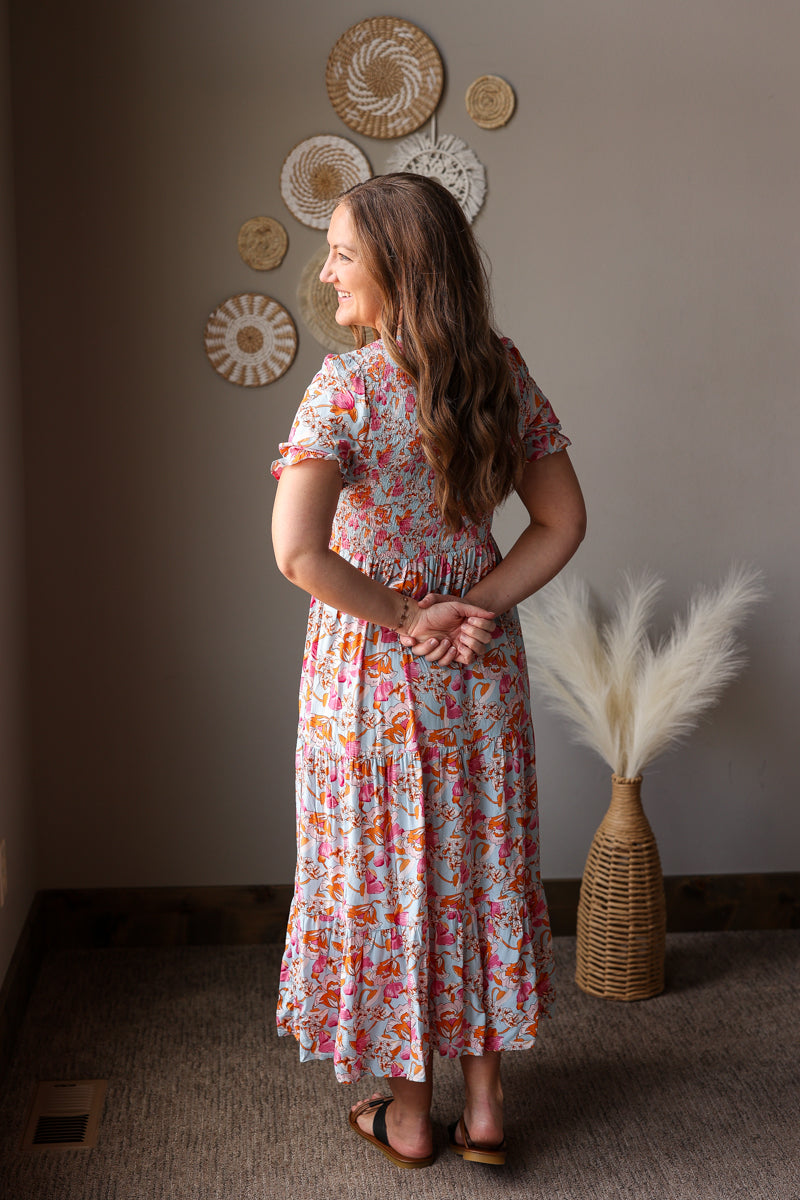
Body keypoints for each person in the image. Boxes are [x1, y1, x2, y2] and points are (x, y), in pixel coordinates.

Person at [271, 173, 586, 1169]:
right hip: (477, 668)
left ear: (399, 271)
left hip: (373, 669)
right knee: (480, 874)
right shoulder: (499, 371)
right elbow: (561, 521)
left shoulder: (344, 386)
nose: (324, 273)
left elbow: (298, 553)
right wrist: (475, 609)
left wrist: (409, 615)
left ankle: (409, 1117)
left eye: (339, 253)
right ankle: (486, 1113)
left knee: (393, 881)